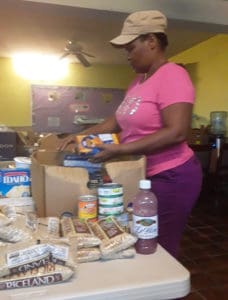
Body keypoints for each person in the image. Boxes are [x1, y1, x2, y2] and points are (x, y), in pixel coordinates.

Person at [58, 10, 202, 258]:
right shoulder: (138, 82)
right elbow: (117, 120)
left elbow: (177, 132)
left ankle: (163, 293)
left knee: (159, 245)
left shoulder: (174, 75)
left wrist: (119, 150)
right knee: (137, 237)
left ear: (152, 42)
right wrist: (82, 135)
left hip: (172, 176)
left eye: (130, 47)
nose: (127, 55)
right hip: (144, 174)